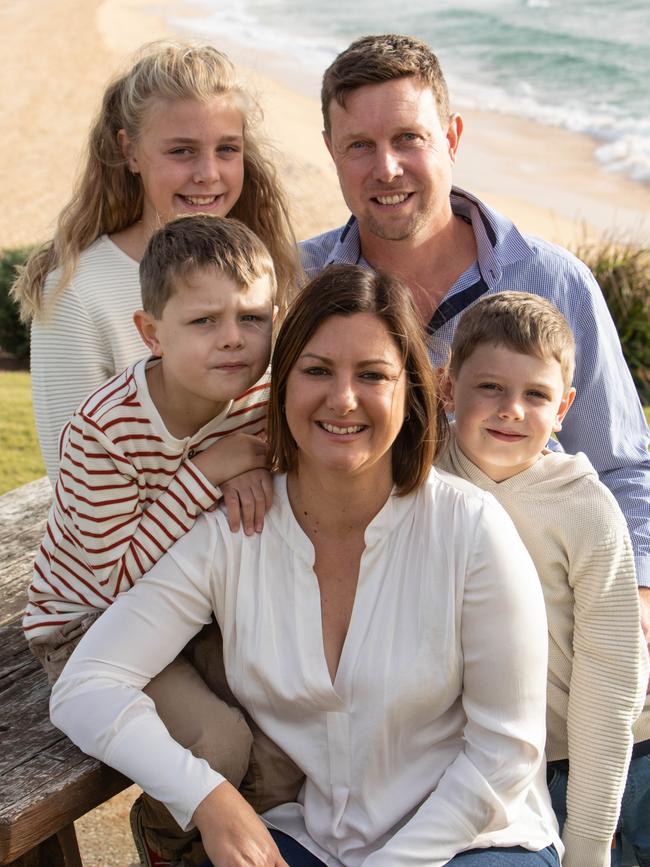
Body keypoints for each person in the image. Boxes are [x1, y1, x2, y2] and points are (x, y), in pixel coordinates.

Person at [51, 264, 562, 867]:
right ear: (282, 386)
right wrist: (208, 796)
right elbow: (86, 685)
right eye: (317, 370)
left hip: (474, 839)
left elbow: (507, 751)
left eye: (373, 375)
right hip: (315, 839)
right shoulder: (233, 535)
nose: (342, 399)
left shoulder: (470, 529)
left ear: (412, 391)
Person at [299, 33, 650, 652]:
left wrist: (639, 597)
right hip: (367, 630)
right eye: (360, 146)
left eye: (409, 138)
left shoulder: (555, 281)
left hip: (546, 631)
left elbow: (620, 462)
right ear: (330, 152)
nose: (387, 168)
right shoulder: (301, 285)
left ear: (453, 137)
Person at [25, 214, 302, 867]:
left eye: (253, 318)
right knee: (221, 743)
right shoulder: (107, 432)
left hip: (193, 609)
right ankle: (166, 835)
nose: (233, 340)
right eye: (203, 321)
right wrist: (208, 471)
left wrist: (255, 465)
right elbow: (109, 580)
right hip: (86, 626)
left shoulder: (260, 390)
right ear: (151, 333)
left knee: (292, 727)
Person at [11, 39, 300, 486]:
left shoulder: (260, 270)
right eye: (181, 151)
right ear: (130, 151)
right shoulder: (77, 294)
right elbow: (78, 489)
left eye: (227, 149)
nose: (208, 173)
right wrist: (218, 474)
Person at [436, 291, 650, 867]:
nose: (512, 410)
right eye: (491, 388)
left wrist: (587, 846)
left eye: (536, 395)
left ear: (564, 409)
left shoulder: (586, 510)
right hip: (490, 757)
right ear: (447, 387)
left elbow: (610, 680)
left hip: (606, 751)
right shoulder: (421, 480)